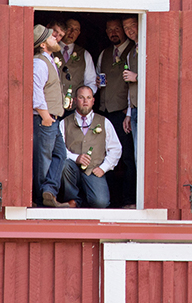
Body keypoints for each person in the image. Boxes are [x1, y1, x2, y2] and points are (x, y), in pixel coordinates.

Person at [95, 17, 136, 207]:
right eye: (109, 29)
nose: (114, 32)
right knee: (105, 157)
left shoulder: (133, 50)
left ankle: (128, 199)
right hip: (105, 113)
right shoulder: (104, 53)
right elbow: (96, 80)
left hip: (123, 113)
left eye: (117, 29)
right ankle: (107, 200)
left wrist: (128, 113)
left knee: (127, 157)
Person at [59, 86, 121, 208]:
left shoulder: (104, 122)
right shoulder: (64, 123)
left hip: (93, 170)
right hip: (73, 169)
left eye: (88, 98)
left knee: (100, 203)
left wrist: (104, 167)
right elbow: (59, 149)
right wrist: (75, 158)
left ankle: (86, 198)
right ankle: (73, 200)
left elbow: (116, 148)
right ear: (75, 100)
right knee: (64, 164)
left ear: (93, 101)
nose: (85, 101)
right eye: (81, 98)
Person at [31, 24, 72, 208]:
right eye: (51, 37)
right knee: (44, 159)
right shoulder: (39, 62)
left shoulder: (49, 60)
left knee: (60, 154)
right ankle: (42, 200)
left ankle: (49, 190)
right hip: (45, 119)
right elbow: (35, 92)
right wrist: (45, 116)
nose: (56, 38)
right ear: (42, 45)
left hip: (53, 119)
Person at [58, 17, 97, 95]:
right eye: (69, 28)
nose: (72, 32)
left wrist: (84, 98)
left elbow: (91, 82)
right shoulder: (51, 51)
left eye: (76, 30)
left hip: (76, 105)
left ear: (79, 33)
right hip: (54, 104)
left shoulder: (85, 54)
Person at [121, 15, 140, 163]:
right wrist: (128, 113)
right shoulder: (130, 53)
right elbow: (129, 87)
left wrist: (137, 78)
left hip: (147, 110)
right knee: (137, 154)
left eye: (132, 25)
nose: (129, 30)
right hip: (134, 110)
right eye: (126, 28)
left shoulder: (150, 47)